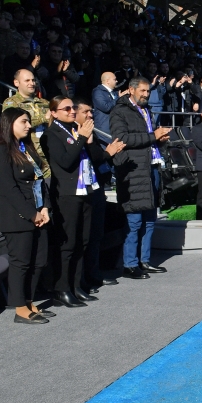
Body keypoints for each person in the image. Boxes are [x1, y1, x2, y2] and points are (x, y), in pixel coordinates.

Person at [41, 96, 125, 308]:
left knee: (83, 241)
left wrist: (84, 140)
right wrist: (81, 139)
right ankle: (62, 287)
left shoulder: (74, 131)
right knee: (68, 243)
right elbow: (66, 162)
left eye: (72, 107)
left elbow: (93, 156)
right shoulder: (51, 135)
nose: (71, 111)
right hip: (67, 194)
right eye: (66, 108)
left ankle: (77, 284)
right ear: (54, 112)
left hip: (86, 190)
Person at [0, 108, 53, 325]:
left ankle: (30, 301)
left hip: (37, 212)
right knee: (21, 262)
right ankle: (20, 308)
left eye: (29, 122)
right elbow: (8, 188)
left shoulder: (25, 148)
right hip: (17, 217)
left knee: (39, 261)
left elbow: (40, 180)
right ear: (9, 123)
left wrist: (44, 208)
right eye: (23, 121)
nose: (28, 125)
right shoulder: (0, 151)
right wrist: (31, 213)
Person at [110, 77, 171, 279]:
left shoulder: (146, 110)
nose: (146, 94)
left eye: (148, 91)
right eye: (143, 91)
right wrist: (153, 136)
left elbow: (149, 140)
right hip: (133, 170)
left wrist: (160, 141)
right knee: (134, 220)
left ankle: (145, 261)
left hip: (151, 166)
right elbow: (122, 139)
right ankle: (129, 264)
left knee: (150, 219)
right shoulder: (119, 111)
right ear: (131, 89)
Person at [2, 69, 52, 178]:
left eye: (33, 80)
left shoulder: (44, 103)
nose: (32, 83)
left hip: (48, 152)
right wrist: (44, 118)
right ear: (16, 83)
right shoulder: (11, 103)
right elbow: (13, 125)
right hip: (28, 154)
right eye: (27, 80)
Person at [92, 72, 120, 138]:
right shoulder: (98, 92)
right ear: (107, 81)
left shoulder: (115, 92)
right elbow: (105, 107)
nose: (116, 81)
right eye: (114, 79)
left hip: (115, 125)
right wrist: (118, 98)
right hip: (104, 127)